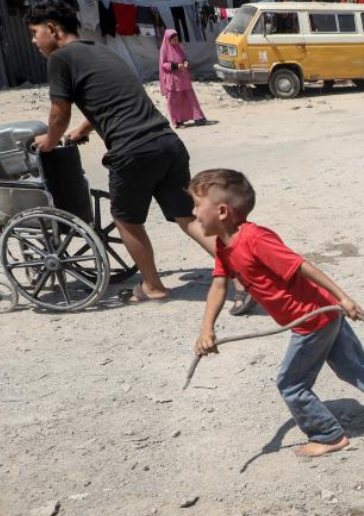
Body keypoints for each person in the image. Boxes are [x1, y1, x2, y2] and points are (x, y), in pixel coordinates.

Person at [25, 1, 254, 313]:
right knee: (188, 218)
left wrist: (49, 141)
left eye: (35, 33)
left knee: (126, 220)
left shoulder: (61, 59)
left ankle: (153, 286)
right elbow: (112, 97)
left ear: (52, 29)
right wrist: (82, 129)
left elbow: (58, 113)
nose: (34, 41)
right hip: (166, 142)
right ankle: (243, 277)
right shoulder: (101, 50)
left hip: (132, 150)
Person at [191, 169, 364, 455]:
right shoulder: (223, 245)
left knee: (291, 383)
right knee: (352, 368)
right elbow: (218, 286)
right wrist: (207, 328)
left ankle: (327, 435)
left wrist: (343, 297)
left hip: (313, 319)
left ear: (222, 211)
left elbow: (302, 266)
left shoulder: (255, 239)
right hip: (320, 314)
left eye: (197, 205)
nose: (193, 212)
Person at [158, 29, 208, 129]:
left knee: (190, 97)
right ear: (169, 40)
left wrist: (185, 62)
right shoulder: (165, 50)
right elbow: (163, 64)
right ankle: (178, 121)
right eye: (174, 40)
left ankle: (198, 117)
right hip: (173, 80)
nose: (176, 41)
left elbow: (183, 57)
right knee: (175, 100)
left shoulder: (179, 47)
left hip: (183, 78)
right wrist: (176, 66)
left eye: (177, 39)